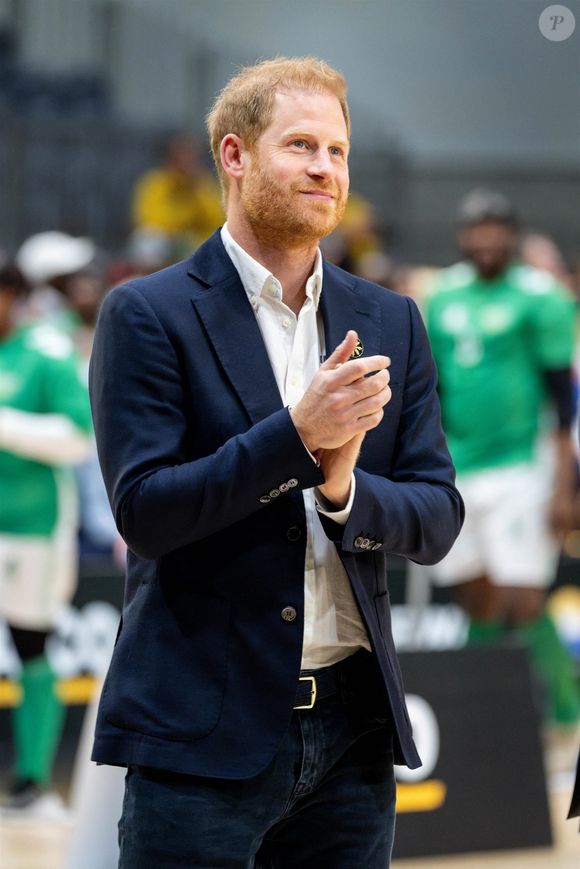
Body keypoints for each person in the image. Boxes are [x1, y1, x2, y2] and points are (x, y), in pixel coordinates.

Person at [90, 57, 463, 868]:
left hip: (352, 738)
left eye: (337, 150)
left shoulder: (391, 318)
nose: (326, 168)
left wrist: (343, 487)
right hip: (198, 735)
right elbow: (146, 511)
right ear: (234, 155)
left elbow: (437, 514)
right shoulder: (147, 314)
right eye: (300, 145)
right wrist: (295, 438)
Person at [426, 189, 580, 731]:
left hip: (522, 463)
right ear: (463, 237)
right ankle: (483, 715)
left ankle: (564, 713)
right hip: (460, 462)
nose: (486, 239)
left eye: (497, 229)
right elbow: (434, 387)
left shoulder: (541, 297)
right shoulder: (441, 297)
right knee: (476, 594)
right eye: (477, 229)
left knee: (523, 595)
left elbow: (564, 395)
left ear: (512, 235)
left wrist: (566, 482)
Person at [0, 258, 92, 813]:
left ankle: (31, 782)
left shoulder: (46, 351)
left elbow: (78, 436)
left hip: (32, 530)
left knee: (31, 645)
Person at [131, 132, 223, 259]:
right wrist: (181, 223)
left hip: (194, 242)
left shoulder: (202, 182)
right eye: (182, 154)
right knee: (146, 239)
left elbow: (216, 218)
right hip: (166, 243)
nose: (187, 160)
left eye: (191, 155)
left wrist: (196, 189)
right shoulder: (156, 182)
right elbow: (148, 219)